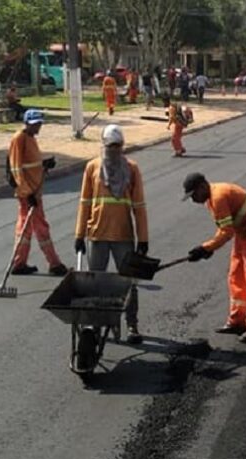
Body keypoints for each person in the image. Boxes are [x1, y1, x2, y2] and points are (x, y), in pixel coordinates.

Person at [74, 125, 148, 344]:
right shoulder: (92, 168)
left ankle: (132, 325)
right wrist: (79, 235)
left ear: (122, 146)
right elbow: (84, 203)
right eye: (110, 146)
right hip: (97, 234)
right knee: (95, 283)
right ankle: (94, 324)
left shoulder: (132, 168)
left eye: (117, 146)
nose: (113, 150)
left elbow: (140, 206)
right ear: (103, 145)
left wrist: (143, 239)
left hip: (123, 235)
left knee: (128, 282)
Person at [182, 173, 246, 343]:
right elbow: (226, 228)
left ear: (202, 187)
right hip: (243, 234)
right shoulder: (211, 198)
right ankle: (237, 321)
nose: (193, 200)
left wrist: (205, 248)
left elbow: (226, 232)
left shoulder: (219, 196)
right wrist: (209, 249)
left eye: (193, 195)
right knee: (236, 276)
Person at [8, 109, 66, 276]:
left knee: (25, 229)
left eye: (39, 124)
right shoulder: (19, 138)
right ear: (27, 123)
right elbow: (16, 169)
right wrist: (27, 193)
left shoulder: (31, 139)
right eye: (35, 125)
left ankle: (19, 263)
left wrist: (44, 165)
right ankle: (54, 263)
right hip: (28, 194)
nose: (38, 127)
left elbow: (31, 164)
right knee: (41, 228)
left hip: (35, 191)